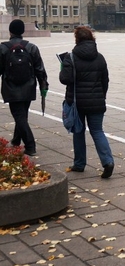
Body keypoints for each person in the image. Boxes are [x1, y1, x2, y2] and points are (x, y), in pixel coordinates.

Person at [59, 26, 114, 178]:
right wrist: (101, 96)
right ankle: (108, 161)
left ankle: (79, 164)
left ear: (77, 39)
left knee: (78, 132)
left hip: (77, 103)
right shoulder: (100, 57)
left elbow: (65, 79)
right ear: (92, 38)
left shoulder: (70, 58)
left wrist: (62, 66)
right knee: (97, 131)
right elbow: (105, 80)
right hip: (96, 101)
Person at [0, 20, 48, 156]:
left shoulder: (3, 48)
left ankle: (30, 145)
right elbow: (40, 69)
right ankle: (16, 140)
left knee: (19, 116)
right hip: (29, 87)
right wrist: (44, 84)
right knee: (22, 115)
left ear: (10, 31)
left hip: (11, 88)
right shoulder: (31, 47)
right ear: (22, 31)